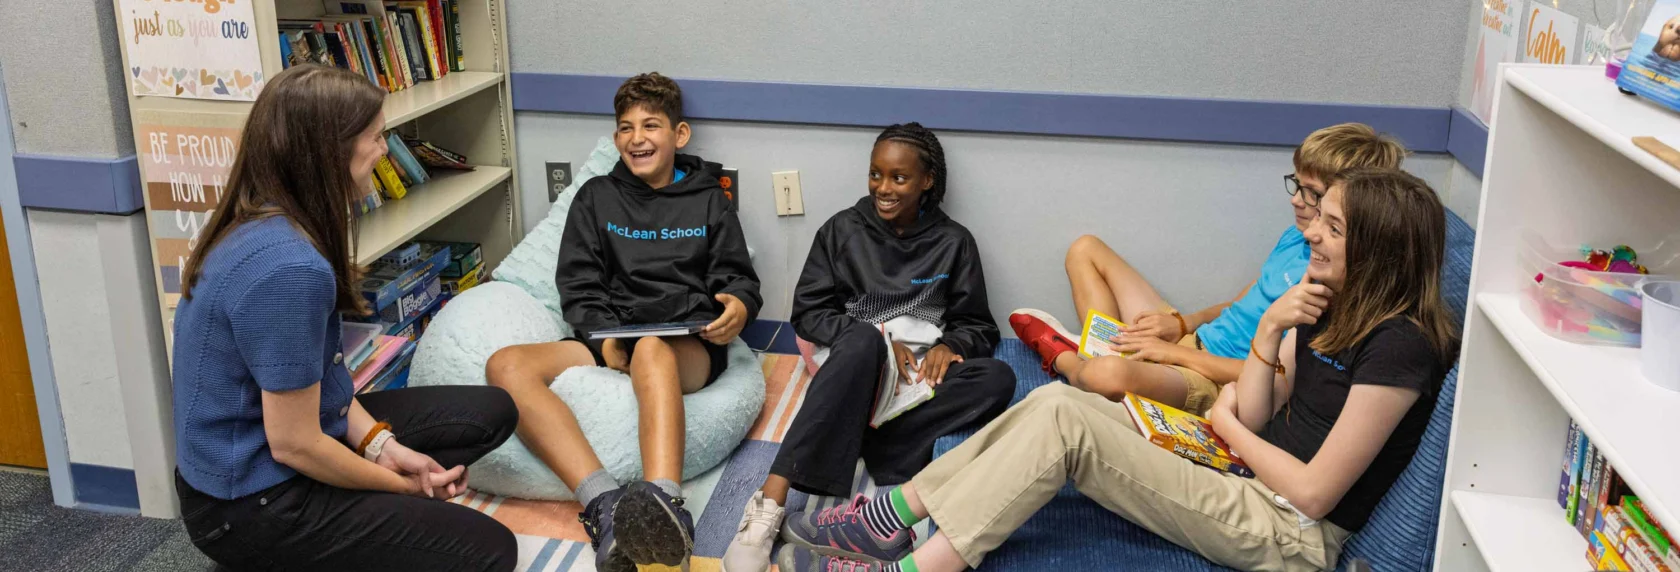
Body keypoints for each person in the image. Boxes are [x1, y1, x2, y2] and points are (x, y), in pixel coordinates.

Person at [772, 168, 1460, 572]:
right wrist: (1273, 331)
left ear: (1379, 249)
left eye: (1334, 228)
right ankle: (892, 512)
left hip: (1288, 533)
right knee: (1049, 406)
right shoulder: (1321, 305)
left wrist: (1224, 425)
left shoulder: (1401, 346)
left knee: (1069, 424)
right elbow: (1254, 412)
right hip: (1242, 472)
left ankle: (919, 563)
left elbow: (1313, 495)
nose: (1311, 232)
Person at [170, 64, 519, 571]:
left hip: (266, 453)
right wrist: (402, 488)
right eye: (376, 137)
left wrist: (383, 447)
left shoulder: (263, 220)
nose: (385, 150)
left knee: (490, 412)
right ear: (329, 154)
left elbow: (329, 383)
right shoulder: (288, 268)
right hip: (247, 505)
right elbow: (295, 445)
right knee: (490, 552)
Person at [483, 72, 762, 572]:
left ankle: (664, 505)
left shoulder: (708, 199)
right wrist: (603, 338)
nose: (637, 138)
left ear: (679, 135)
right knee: (505, 365)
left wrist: (737, 307)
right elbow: (578, 283)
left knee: (653, 349)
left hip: (683, 343)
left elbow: (738, 278)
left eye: (651, 125)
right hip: (610, 335)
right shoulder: (594, 198)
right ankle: (606, 507)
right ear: (616, 139)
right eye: (626, 128)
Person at [722, 123, 1017, 572]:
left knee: (998, 377)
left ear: (927, 181)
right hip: (855, 359)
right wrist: (882, 340)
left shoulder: (954, 242)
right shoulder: (842, 230)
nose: (883, 188)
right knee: (862, 340)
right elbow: (808, 313)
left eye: (899, 178)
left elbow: (977, 324)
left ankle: (873, 445)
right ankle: (768, 503)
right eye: (875, 175)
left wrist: (953, 343)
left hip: (913, 378)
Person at [1009, 123, 1407, 414]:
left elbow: (1274, 380)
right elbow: (1241, 303)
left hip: (1215, 378)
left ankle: (1069, 360)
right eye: (1296, 184)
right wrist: (1181, 325)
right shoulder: (1295, 237)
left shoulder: (1329, 280)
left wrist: (1173, 355)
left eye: (1312, 194)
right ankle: (1108, 351)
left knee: (1106, 377)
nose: (1296, 202)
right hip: (1194, 341)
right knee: (1085, 250)